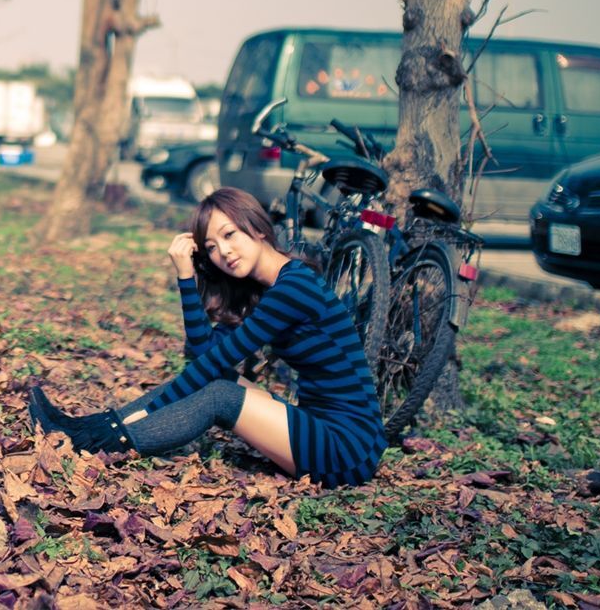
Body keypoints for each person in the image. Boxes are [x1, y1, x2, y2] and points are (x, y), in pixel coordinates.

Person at [29, 187, 386, 487]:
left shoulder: (293, 288)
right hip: (321, 425)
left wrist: (144, 414)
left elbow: (210, 365)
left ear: (258, 228)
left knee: (219, 395)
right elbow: (205, 355)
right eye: (211, 247)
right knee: (219, 380)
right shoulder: (265, 287)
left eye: (229, 235)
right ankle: (87, 430)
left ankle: (100, 441)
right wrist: (186, 275)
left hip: (348, 447)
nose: (224, 252)